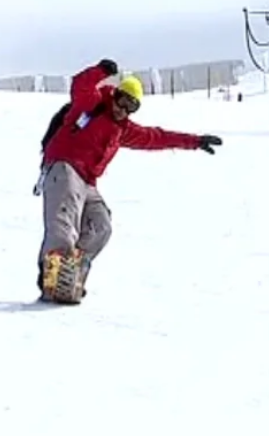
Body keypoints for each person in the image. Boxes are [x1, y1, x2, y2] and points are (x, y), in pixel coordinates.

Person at [33, 58, 222, 303]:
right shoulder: (91, 104)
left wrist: (195, 141)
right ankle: (53, 278)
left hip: (88, 181)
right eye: (123, 101)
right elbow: (80, 84)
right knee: (64, 223)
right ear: (116, 95)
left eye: (132, 107)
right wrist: (100, 71)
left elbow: (157, 137)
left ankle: (70, 273)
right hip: (64, 166)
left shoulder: (122, 129)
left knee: (101, 226)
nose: (124, 109)